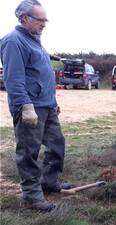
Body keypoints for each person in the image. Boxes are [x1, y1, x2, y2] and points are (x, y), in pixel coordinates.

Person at [1, 0, 73, 212]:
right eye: (40, 20)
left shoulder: (34, 40)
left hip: (46, 105)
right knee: (29, 152)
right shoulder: (14, 41)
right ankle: (31, 196)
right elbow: (13, 78)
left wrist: (53, 101)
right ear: (24, 19)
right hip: (30, 107)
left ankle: (49, 182)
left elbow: (41, 73)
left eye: (45, 20)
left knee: (57, 144)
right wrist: (25, 106)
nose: (44, 24)